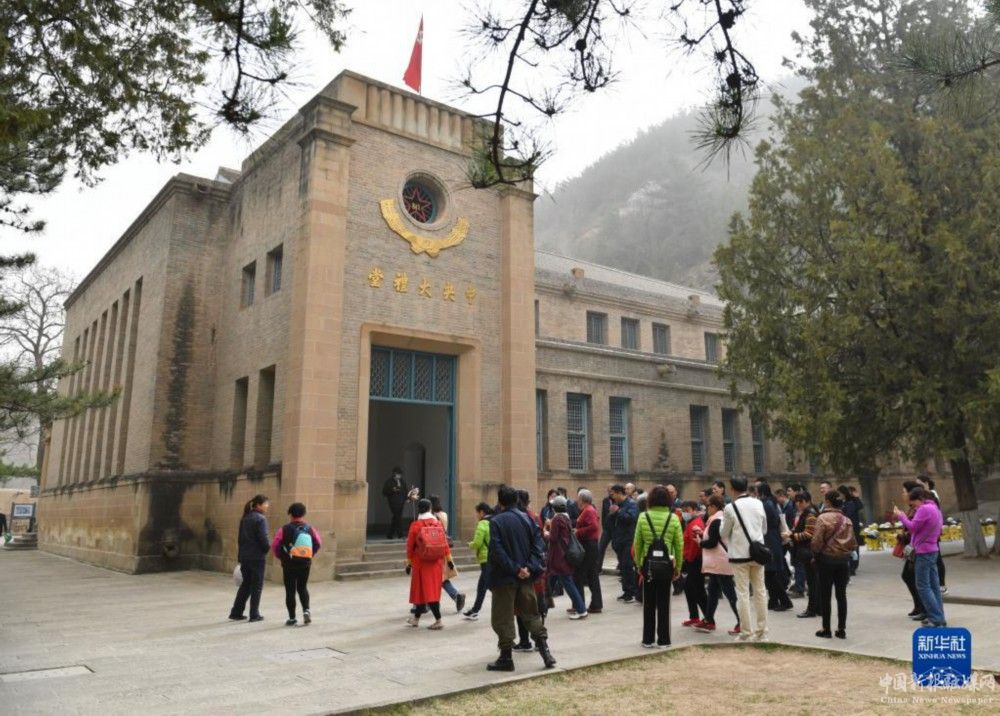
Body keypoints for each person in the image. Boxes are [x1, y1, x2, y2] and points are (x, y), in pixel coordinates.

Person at [486, 485, 556, 672]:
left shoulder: (496, 521)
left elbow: (497, 551)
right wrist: (528, 568)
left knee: (503, 618)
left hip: (504, 578)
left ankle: (506, 657)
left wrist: (515, 569)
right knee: (531, 614)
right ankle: (545, 652)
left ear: (500, 501)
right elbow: (538, 547)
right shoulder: (528, 518)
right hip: (526, 577)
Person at [634, 485, 684, 647]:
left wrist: (639, 564)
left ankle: (648, 639)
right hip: (666, 565)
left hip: (648, 565)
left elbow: (637, 543)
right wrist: (678, 568)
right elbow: (679, 546)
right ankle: (664, 640)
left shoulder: (643, 517)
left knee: (648, 604)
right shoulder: (674, 518)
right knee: (664, 604)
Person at [720, 475, 768, 641]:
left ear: (732, 489)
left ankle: (746, 632)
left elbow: (723, 533)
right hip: (758, 553)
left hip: (739, 555)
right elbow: (764, 529)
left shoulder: (730, 507)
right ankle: (762, 632)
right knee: (760, 592)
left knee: (743, 594)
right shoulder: (758, 503)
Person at [895, 488, 946, 628]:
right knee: (934, 586)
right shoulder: (935, 508)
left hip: (923, 552)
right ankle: (939, 617)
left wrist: (901, 516)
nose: (913, 506)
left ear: (920, 499)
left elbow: (912, 527)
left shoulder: (924, 509)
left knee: (923, 586)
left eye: (913, 503)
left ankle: (936, 619)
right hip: (932, 549)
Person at [811, 490, 856, 639]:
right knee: (841, 595)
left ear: (828, 502)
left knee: (825, 595)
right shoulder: (847, 520)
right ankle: (841, 629)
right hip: (843, 561)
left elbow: (816, 542)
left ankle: (826, 629)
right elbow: (853, 543)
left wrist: (816, 554)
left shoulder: (822, 518)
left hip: (826, 560)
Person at [694, 495, 741, 635]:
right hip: (718, 563)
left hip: (720, 563)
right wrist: (702, 534)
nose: (706, 509)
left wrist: (700, 543)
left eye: (708, 506)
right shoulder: (718, 519)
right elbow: (715, 537)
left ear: (714, 507)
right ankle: (708, 620)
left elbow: (712, 542)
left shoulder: (716, 521)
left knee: (730, 594)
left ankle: (742, 622)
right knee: (713, 592)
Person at [272, 502, 322, 626]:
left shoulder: (284, 529)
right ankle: (306, 610)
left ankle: (292, 618)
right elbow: (318, 543)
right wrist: (309, 554)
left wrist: (282, 557)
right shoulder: (310, 529)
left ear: (290, 514)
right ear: (304, 514)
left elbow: (275, 546)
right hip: (305, 563)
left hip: (288, 564)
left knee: (290, 590)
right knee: (302, 587)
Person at [405, 498, 451, 630]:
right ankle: (416, 619)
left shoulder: (415, 525)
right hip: (436, 563)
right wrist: (449, 560)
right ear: (430, 509)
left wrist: (409, 563)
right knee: (431, 591)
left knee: (423, 592)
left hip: (420, 562)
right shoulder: (437, 523)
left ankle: (438, 620)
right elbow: (444, 543)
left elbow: (410, 546)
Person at [229, 494, 271, 623]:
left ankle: (236, 612)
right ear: (258, 505)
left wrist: (240, 556)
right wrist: (266, 549)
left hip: (245, 556)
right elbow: (263, 538)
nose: (267, 506)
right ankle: (254, 614)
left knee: (246, 584)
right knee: (256, 586)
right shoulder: (260, 519)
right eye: (265, 503)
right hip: (257, 557)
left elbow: (240, 539)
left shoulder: (245, 518)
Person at [545, 495, 588, 619]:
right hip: (564, 554)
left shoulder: (557, 519)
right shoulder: (566, 517)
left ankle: (581, 610)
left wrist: (546, 533)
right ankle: (543, 607)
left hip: (559, 556)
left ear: (555, 507)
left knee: (568, 583)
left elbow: (553, 538)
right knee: (556, 580)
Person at [758, 481, 793, 612]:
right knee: (770, 573)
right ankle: (773, 600)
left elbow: (765, 522)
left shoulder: (766, 504)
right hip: (773, 538)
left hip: (770, 539)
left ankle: (784, 600)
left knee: (770, 573)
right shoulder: (772, 503)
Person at [429, 495, 466, 613]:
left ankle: (428, 603)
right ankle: (428, 603)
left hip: (434, 548)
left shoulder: (431, 517)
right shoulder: (444, 514)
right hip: (443, 546)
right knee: (440, 577)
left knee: (435, 576)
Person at [897, 480, 926, 621]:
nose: (902, 494)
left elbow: (914, 527)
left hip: (919, 548)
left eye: (904, 491)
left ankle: (923, 608)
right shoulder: (912, 508)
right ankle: (918, 606)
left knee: (913, 577)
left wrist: (901, 517)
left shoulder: (919, 509)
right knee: (908, 576)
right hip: (913, 547)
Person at [791, 492, 820, 619]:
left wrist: (792, 536)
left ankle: (812, 609)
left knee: (813, 582)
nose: (798, 504)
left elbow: (809, 534)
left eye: (800, 501)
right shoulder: (808, 512)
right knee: (813, 582)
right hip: (809, 552)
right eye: (797, 501)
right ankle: (817, 608)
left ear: (807, 501)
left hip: (810, 552)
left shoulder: (810, 514)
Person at [573, 489, 603, 613]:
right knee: (592, 575)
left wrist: (578, 531)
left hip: (589, 546)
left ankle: (579, 605)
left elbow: (594, 526)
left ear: (582, 500)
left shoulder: (589, 510)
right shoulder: (588, 509)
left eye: (578, 498)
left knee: (579, 575)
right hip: (590, 545)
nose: (577, 501)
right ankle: (595, 604)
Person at [609, 483, 639, 603]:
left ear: (619, 493)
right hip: (619, 539)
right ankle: (626, 591)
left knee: (627, 566)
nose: (612, 497)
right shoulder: (617, 505)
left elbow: (631, 518)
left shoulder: (631, 504)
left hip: (628, 540)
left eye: (613, 494)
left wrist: (618, 512)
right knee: (622, 566)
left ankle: (631, 592)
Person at [680, 500, 708, 627]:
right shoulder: (691, 522)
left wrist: (688, 559)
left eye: (687, 510)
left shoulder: (695, 524)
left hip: (695, 560)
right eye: (683, 511)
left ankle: (708, 618)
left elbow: (694, 546)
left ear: (694, 510)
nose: (685, 513)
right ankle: (695, 616)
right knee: (689, 588)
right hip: (692, 560)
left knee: (698, 589)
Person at [464, 502, 493, 620]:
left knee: (487, 585)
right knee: (484, 585)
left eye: (477, 513)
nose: (476, 515)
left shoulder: (482, 524)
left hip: (485, 558)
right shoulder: (494, 521)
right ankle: (475, 610)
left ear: (481, 512)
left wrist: (470, 544)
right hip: (493, 557)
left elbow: (477, 543)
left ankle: (475, 610)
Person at [839, 485, 864, 577]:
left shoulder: (850, 503)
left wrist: (856, 497)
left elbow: (850, 514)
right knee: (849, 547)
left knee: (853, 547)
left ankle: (853, 567)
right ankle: (851, 566)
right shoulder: (843, 503)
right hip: (847, 528)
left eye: (840, 493)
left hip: (852, 528)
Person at [382, 467, 409, 539]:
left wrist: (407, 498)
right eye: (398, 474)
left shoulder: (402, 481)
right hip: (393, 502)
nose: (399, 476)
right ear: (394, 474)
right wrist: (392, 490)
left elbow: (405, 490)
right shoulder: (389, 481)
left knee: (396, 517)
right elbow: (384, 492)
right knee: (398, 517)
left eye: (400, 474)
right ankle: (400, 534)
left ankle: (390, 534)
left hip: (401, 502)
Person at [598, 486, 615, 567]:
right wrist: (604, 525)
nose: (610, 492)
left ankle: (620, 567)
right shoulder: (605, 500)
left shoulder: (618, 501)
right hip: (607, 529)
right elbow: (603, 514)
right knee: (601, 547)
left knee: (618, 548)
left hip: (616, 528)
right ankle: (598, 567)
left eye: (611, 491)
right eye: (609, 491)